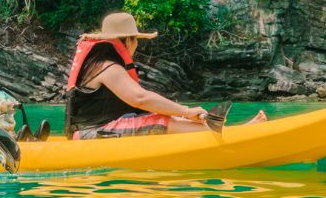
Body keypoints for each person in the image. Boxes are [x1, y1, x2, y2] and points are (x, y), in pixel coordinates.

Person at [65, 12, 266, 139]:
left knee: (168, 118)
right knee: (162, 121)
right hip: (92, 135)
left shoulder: (99, 62)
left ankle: (231, 132)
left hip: (97, 129)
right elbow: (140, 98)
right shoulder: (107, 66)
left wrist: (183, 114)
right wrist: (185, 111)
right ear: (128, 40)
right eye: (136, 40)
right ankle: (239, 136)